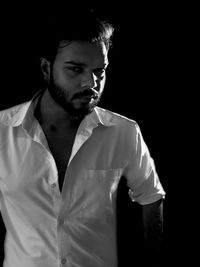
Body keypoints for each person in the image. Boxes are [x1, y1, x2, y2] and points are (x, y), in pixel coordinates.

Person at [0, 9, 166, 267]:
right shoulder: (2, 132)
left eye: (100, 70)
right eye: (76, 69)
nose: (91, 82)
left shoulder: (124, 132)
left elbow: (151, 196)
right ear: (46, 68)